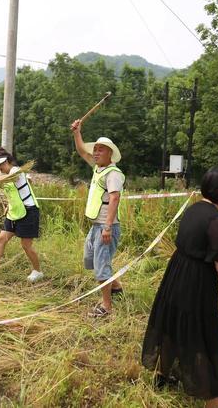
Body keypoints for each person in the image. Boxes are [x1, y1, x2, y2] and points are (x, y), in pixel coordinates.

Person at [142, 166, 218, 408]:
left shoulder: (194, 208)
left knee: (173, 323)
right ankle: (212, 398)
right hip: (197, 282)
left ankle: (162, 376)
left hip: (176, 275)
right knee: (205, 337)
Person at [71, 119, 125, 317]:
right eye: (95, 149)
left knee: (101, 267)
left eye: (100, 150)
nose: (95, 152)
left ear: (110, 153)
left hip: (105, 225)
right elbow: (81, 151)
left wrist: (108, 228)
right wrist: (77, 132)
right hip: (96, 226)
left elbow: (115, 198)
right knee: (90, 260)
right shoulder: (98, 168)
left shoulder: (113, 173)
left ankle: (106, 307)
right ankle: (116, 287)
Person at [0, 148, 43, 283]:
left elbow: (11, 178)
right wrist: (8, 205)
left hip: (28, 211)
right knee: (1, 239)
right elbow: (12, 193)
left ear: (7, 161)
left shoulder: (16, 171)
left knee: (26, 245)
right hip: (14, 212)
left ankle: (37, 271)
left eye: (0, 165)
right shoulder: (5, 175)